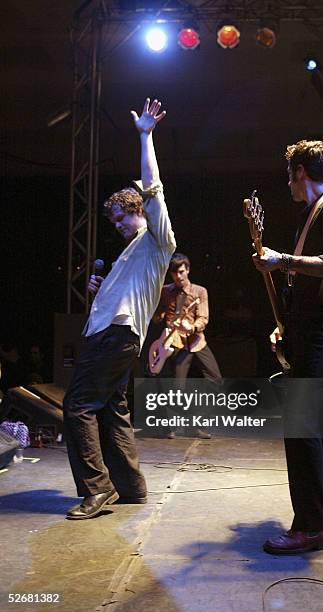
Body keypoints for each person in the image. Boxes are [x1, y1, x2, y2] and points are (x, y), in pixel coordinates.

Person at [63, 99, 176, 520]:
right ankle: (130, 487)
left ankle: (96, 489)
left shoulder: (156, 242)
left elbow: (153, 186)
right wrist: (99, 291)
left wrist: (145, 136)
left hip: (116, 336)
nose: (116, 226)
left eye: (119, 218)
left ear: (139, 212)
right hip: (111, 334)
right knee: (113, 410)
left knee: (77, 407)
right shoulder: (127, 257)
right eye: (111, 221)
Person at [252, 140, 323, 554]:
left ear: (299, 172)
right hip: (310, 329)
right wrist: (287, 325)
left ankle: (312, 526)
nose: (289, 184)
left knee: (302, 423)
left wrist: (283, 260)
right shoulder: (312, 215)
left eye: (290, 175)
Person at [152, 253, 222, 438]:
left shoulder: (199, 291)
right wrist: (159, 317)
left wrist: (191, 327)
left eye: (181, 272)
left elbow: (203, 318)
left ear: (188, 270)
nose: (178, 276)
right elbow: (157, 314)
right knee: (177, 388)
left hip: (196, 341)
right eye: (174, 273)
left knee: (215, 380)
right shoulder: (165, 291)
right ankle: (177, 424)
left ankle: (200, 423)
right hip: (176, 342)